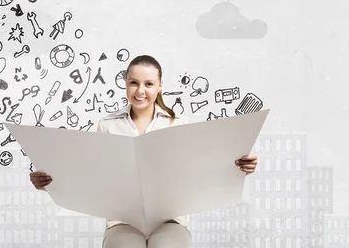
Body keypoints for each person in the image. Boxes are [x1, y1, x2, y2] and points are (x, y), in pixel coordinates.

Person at [29, 55, 259, 248]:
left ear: (159, 86)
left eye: (149, 84)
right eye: (133, 83)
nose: (140, 91)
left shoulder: (178, 123)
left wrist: (239, 167)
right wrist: (48, 181)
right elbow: (90, 173)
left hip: (170, 220)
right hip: (122, 221)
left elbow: (199, 168)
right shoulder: (107, 125)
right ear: (126, 84)